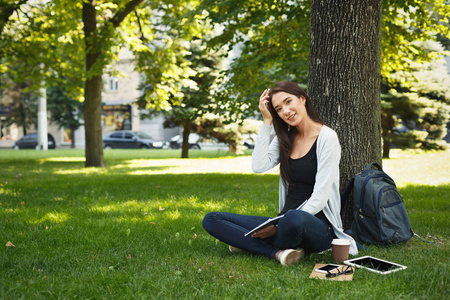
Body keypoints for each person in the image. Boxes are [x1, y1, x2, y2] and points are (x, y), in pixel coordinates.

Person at [202, 81, 357, 266]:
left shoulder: (327, 138)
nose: (286, 111)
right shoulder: (285, 137)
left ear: (302, 99)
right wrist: (266, 122)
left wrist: (276, 227)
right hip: (282, 222)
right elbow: (258, 166)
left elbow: (320, 197)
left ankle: (248, 243)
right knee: (212, 219)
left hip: (317, 226)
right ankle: (277, 253)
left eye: (288, 102)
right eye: (278, 109)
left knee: (293, 218)